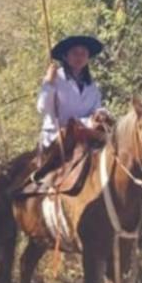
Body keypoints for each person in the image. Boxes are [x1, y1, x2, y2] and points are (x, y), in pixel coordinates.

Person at [23, 35, 110, 191]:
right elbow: (42, 107)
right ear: (65, 56)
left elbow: (96, 108)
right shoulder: (56, 78)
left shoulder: (92, 86)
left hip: (86, 136)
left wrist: (100, 114)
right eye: (75, 53)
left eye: (83, 53)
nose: (80, 57)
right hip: (58, 136)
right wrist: (48, 82)